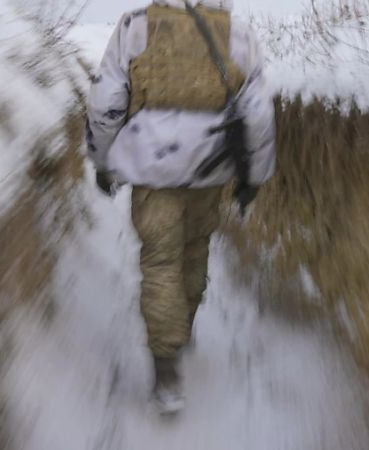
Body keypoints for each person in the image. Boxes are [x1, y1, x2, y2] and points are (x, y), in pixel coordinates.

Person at [85, 0, 275, 413]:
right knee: (194, 249)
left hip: (152, 169)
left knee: (160, 262)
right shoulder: (237, 34)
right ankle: (181, 328)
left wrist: (103, 161)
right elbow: (258, 113)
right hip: (209, 169)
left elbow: (106, 101)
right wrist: (252, 177)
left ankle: (166, 369)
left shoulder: (135, 26)